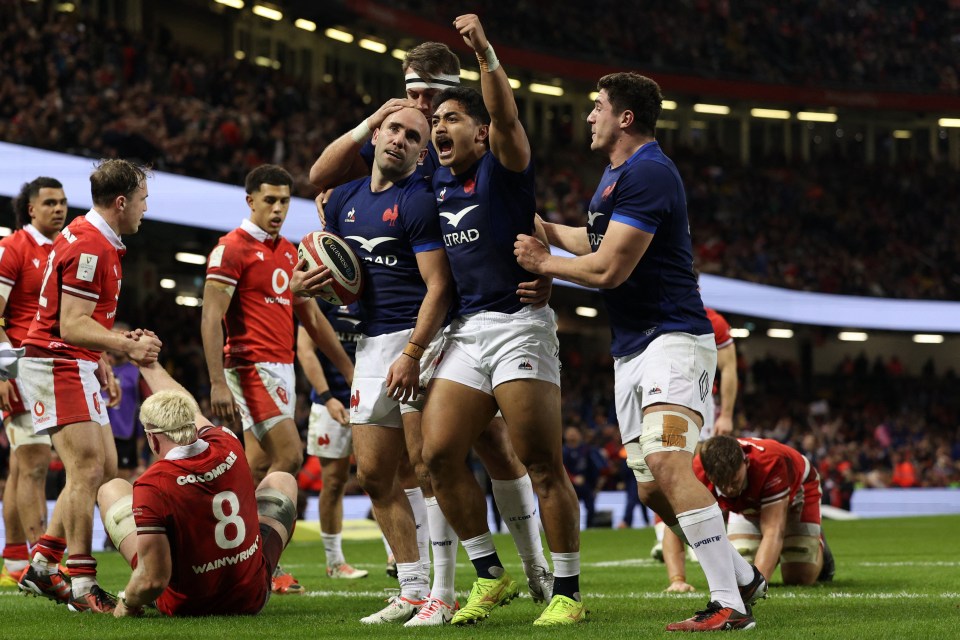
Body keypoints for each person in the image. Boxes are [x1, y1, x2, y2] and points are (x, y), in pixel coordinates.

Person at [307, 39, 554, 620]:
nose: (417, 105)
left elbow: (514, 213)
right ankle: (439, 584)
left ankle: (507, 574)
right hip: (396, 333)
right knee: (421, 462)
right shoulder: (368, 174)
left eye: (432, 98)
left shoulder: (456, 153)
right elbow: (320, 175)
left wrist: (545, 268)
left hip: (459, 324)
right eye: (411, 92)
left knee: (467, 453)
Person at [514, 72, 763, 632]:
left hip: (672, 340)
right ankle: (743, 575)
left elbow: (608, 268)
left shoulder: (649, 171)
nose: (588, 117)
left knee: (671, 462)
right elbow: (596, 241)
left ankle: (730, 604)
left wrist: (542, 263)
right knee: (651, 485)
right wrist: (548, 231)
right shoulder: (614, 177)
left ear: (625, 118)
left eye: (597, 107)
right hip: (632, 348)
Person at [419, 15, 583, 627]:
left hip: (519, 323)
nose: (439, 128)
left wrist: (485, 52)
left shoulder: (504, 167)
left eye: (451, 119)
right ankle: (490, 575)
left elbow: (509, 119)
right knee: (436, 456)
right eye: (435, 122)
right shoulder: (435, 180)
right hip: (466, 330)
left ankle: (566, 590)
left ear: (482, 133)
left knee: (541, 462)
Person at [317, 105, 454, 625]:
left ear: (422, 154)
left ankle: (445, 592)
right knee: (374, 474)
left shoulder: (418, 201)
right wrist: (315, 282)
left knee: (426, 468)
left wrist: (414, 352)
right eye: (394, 129)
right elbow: (339, 274)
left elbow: (439, 287)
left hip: (419, 341)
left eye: (413, 136)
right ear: (376, 135)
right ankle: (412, 589)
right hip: (370, 345)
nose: (400, 139)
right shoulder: (344, 199)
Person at [202, 164, 355, 595]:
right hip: (248, 368)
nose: (277, 209)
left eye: (284, 201)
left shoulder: (289, 253)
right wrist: (217, 381)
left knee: (256, 468)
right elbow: (211, 318)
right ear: (250, 201)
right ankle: (263, 565)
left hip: (282, 369)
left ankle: (221, 554)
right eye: (269, 200)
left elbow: (314, 321)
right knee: (290, 455)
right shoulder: (229, 250)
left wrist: (347, 368)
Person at [17, 159, 161, 613]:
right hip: (55, 362)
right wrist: (124, 346)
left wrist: (99, 355)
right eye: (142, 200)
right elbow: (72, 324)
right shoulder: (93, 246)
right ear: (121, 202)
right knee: (85, 470)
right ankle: (82, 583)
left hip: (71, 361)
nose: (144, 209)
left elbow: (79, 323)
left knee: (103, 467)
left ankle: (43, 563)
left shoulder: (92, 235)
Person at [97, 356, 299, 617]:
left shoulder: (152, 483)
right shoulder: (228, 442)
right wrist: (150, 364)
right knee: (283, 480)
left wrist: (127, 604)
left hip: (186, 605)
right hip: (251, 596)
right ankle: (262, 570)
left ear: (152, 439)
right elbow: (195, 413)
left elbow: (154, 581)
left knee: (111, 489)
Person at [0, 178, 66, 587]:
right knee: (36, 464)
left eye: (62, 202)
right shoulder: (12, 249)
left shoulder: (64, 247)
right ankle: (41, 565)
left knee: (21, 466)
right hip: (20, 369)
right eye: (50, 203)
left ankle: (12, 556)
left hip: (54, 364)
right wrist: (2, 372)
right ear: (30, 210)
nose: (59, 209)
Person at [662, 435, 835, 592]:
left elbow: (774, 530)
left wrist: (755, 588)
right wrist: (677, 579)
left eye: (734, 481)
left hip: (797, 493)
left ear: (746, 463)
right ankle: (793, 542)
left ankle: (819, 547)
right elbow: (674, 524)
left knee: (798, 576)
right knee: (740, 574)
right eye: (721, 484)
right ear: (707, 474)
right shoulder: (696, 472)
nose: (729, 489)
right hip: (747, 504)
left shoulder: (771, 463)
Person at [652, 305, 739, 559]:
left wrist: (727, 414)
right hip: (657, 392)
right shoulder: (653, 308)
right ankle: (666, 536)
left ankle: (701, 535)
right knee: (660, 464)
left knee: (697, 467)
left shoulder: (713, 320)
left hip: (698, 397)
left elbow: (729, 367)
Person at [295, 305, 368, 579]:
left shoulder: (370, 295)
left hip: (369, 396)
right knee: (334, 480)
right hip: (329, 401)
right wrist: (327, 398)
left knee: (382, 476)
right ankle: (335, 562)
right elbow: (305, 350)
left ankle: (394, 557)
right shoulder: (321, 300)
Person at [561, 426, 605, 528]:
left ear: (579, 435)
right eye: (569, 433)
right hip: (569, 485)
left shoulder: (587, 449)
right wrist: (572, 479)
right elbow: (561, 469)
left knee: (591, 507)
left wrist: (597, 483)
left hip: (586, 484)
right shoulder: (562, 451)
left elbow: (594, 467)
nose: (572, 435)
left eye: (574, 432)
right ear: (565, 436)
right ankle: (569, 529)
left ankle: (590, 527)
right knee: (568, 509)